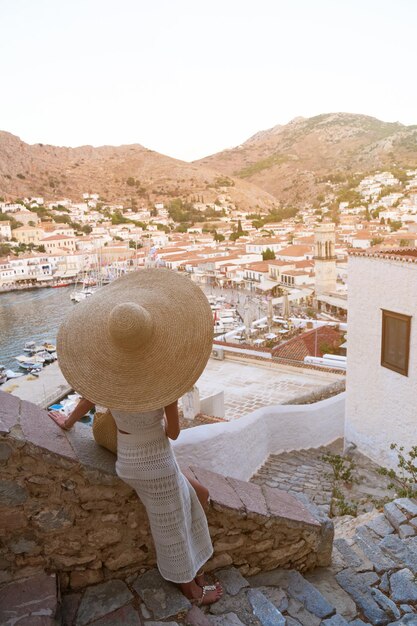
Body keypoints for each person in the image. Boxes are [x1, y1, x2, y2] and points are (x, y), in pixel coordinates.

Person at [52, 268, 222, 606]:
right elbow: (172, 434)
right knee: (171, 526)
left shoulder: (110, 377)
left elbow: (84, 398)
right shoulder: (162, 388)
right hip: (155, 464)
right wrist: (167, 409)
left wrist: (68, 421)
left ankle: (198, 566)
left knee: (195, 495)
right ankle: (190, 588)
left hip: (130, 459)